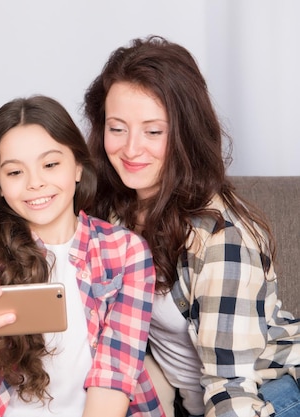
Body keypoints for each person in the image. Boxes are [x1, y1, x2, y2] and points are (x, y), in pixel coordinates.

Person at [83, 35, 300, 417]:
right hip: (192, 399)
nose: (131, 149)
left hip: (269, 394)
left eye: (154, 131)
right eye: (117, 128)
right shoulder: (112, 211)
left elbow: (231, 385)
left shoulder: (222, 239)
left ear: (185, 133)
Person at [0, 95, 164, 417]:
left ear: (77, 167)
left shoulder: (125, 251)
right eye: (15, 172)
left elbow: (114, 376)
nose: (35, 183)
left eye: (50, 164)